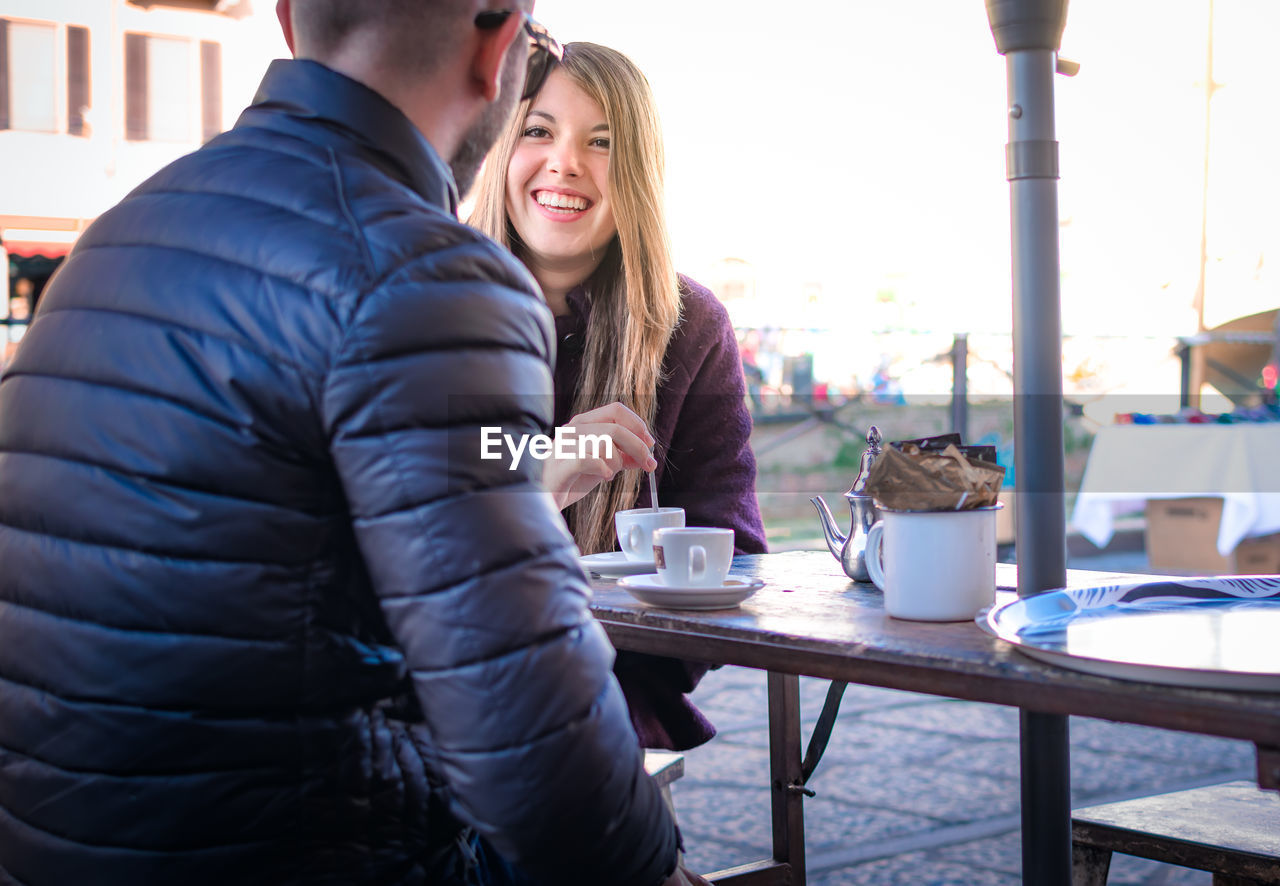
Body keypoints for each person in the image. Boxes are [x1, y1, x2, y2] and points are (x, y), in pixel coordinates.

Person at [0, 3, 707, 885]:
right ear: (498, 47)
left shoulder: (112, 241)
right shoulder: (424, 272)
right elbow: (523, 719)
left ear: (291, 22)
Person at [469, 43, 767, 751]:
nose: (566, 162)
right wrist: (532, 473)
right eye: (538, 130)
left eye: (601, 142)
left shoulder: (689, 324)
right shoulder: (424, 306)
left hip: (613, 712)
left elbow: (735, 549)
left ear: (636, 168)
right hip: (434, 706)